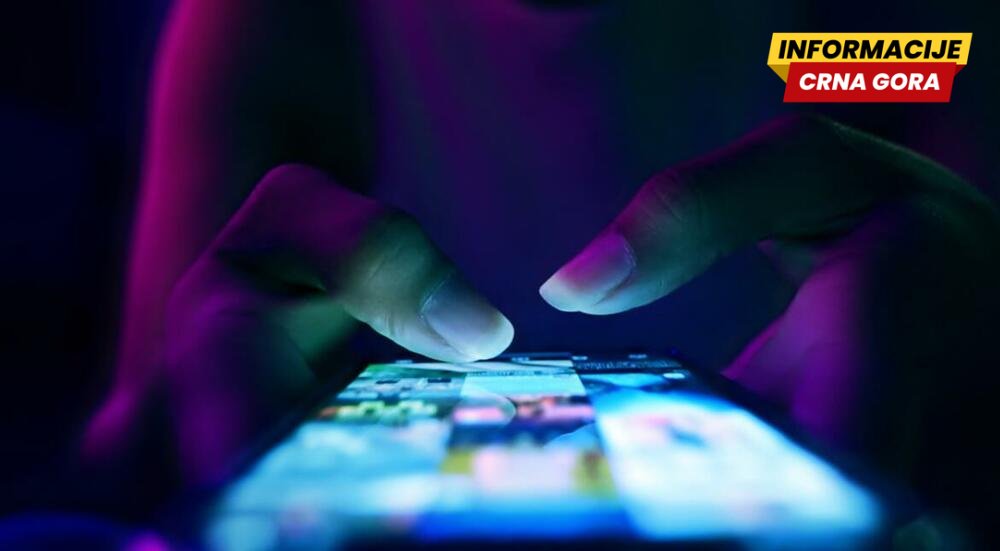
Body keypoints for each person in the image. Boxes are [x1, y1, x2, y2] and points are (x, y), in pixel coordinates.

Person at [82, 1, 998, 542]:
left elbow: (932, 195)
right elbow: (114, 468)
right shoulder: (284, 22)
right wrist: (177, 457)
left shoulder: (868, 29)